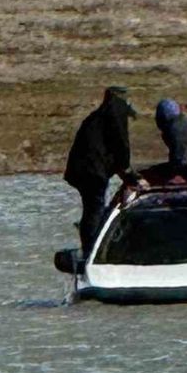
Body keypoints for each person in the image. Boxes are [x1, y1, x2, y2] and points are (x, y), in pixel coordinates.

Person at [64, 85, 145, 258]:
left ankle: (91, 244)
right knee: (95, 209)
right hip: (91, 172)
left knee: (92, 209)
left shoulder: (98, 118)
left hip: (83, 170)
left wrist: (125, 172)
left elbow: (109, 151)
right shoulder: (115, 116)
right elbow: (120, 145)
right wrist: (127, 171)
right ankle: (93, 249)